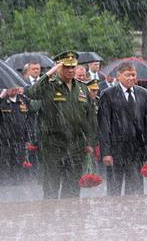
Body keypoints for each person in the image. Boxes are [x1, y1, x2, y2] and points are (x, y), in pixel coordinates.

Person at [26, 51, 96, 199]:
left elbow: (90, 118)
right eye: (66, 67)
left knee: (72, 191)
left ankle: (70, 221)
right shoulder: (49, 86)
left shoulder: (83, 88)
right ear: (58, 67)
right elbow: (32, 92)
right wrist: (49, 73)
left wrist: (90, 142)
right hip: (53, 145)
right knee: (51, 189)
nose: (70, 70)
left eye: (73, 67)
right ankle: (50, 221)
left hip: (76, 145)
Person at [98, 63, 147, 196]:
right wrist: (106, 152)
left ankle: (134, 215)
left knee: (136, 190)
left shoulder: (143, 93)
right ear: (119, 76)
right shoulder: (108, 94)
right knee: (114, 190)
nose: (131, 78)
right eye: (127, 75)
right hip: (116, 150)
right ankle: (115, 214)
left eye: (133, 75)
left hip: (136, 150)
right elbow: (104, 125)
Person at [0, 87, 35, 183]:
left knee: (19, 170)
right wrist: (1, 97)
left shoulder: (23, 100)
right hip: (3, 142)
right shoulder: (0, 100)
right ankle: (4, 193)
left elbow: (29, 119)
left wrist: (28, 138)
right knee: (3, 170)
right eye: (10, 87)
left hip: (20, 141)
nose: (13, 89)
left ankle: (18, 192)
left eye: (15, 86)